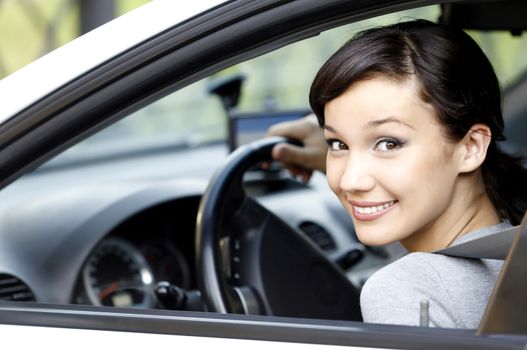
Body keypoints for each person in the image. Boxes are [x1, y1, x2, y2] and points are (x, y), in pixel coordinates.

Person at [267, 19, 527, 328]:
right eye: (338, 143)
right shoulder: (512, 247)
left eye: (388, 143)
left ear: (471, 146)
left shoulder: (404, 289)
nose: (350, 180)